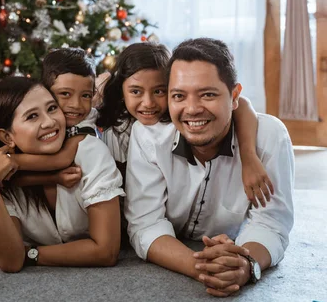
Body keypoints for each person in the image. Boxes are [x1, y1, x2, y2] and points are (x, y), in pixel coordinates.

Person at [125, 38, 294, 297]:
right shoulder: (148, 135)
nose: (192, 109)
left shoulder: (270, 137)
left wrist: (245, 265)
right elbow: (145, 224)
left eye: (208, 94)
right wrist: (203, 268)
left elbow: (271, 223)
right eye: (179, 96)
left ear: (235, 96)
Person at [0, 76, 124, 273]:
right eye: (32, 116)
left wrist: (29, 252)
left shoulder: (90, 151)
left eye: (52, 108)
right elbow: (10, 262)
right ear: (7, 137)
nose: (50, 122)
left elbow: (106, 252)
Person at [98, 42, 274, 208]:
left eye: (159, 91)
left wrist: (248, 156)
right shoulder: (114, 128)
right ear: (121, 91)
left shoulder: (183, 120)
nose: (148, 103)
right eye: (136, 91)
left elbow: (241, 104)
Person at [6, 48, 99, 189]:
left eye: (85, 95)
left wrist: (9, 160)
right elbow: (13, 181)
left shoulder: (86, 124)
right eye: (65, 93)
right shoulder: (35, 121)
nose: (76, 105)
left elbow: (61, 159)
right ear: (46, 92)